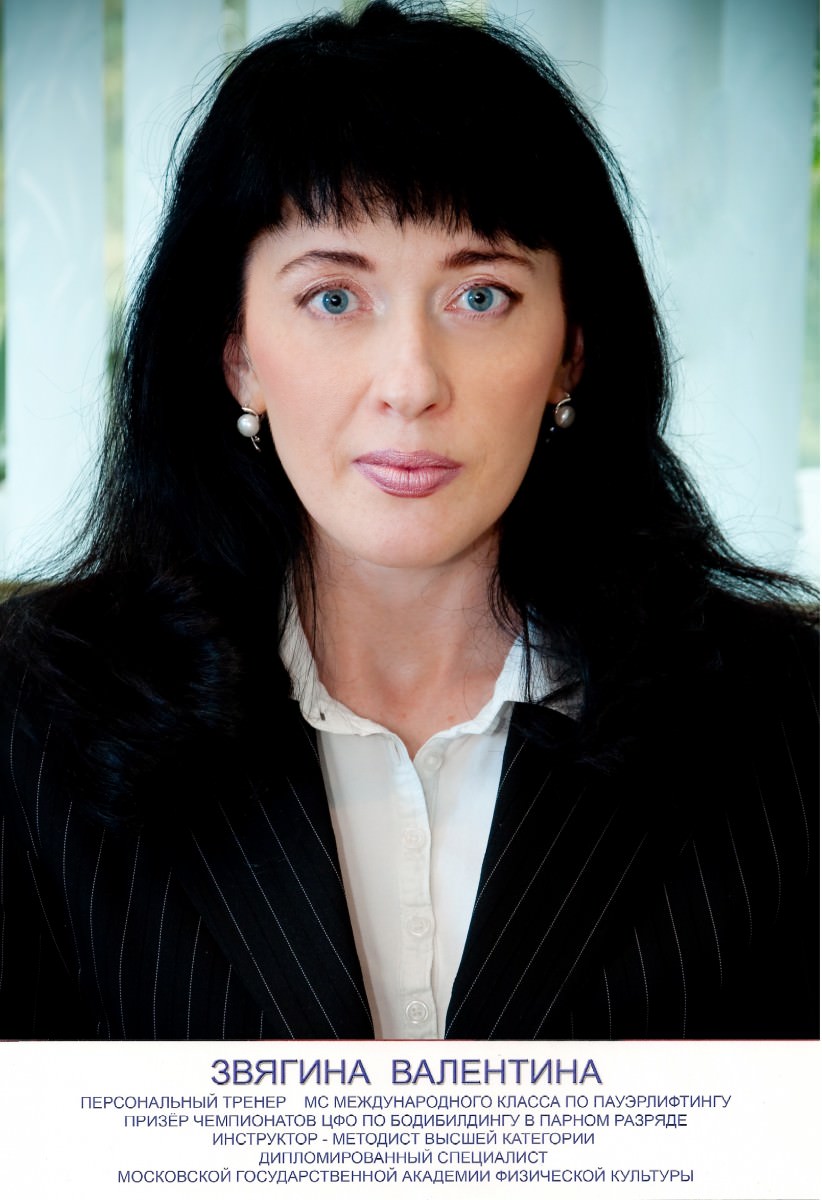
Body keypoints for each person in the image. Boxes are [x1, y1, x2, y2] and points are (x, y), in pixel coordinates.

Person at [0, 0, 816, 1041]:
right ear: (238, 355)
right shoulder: (32, 717)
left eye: (480, 297)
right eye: (335, 299)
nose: (412, 384)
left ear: (571, 351)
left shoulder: (788, 716)